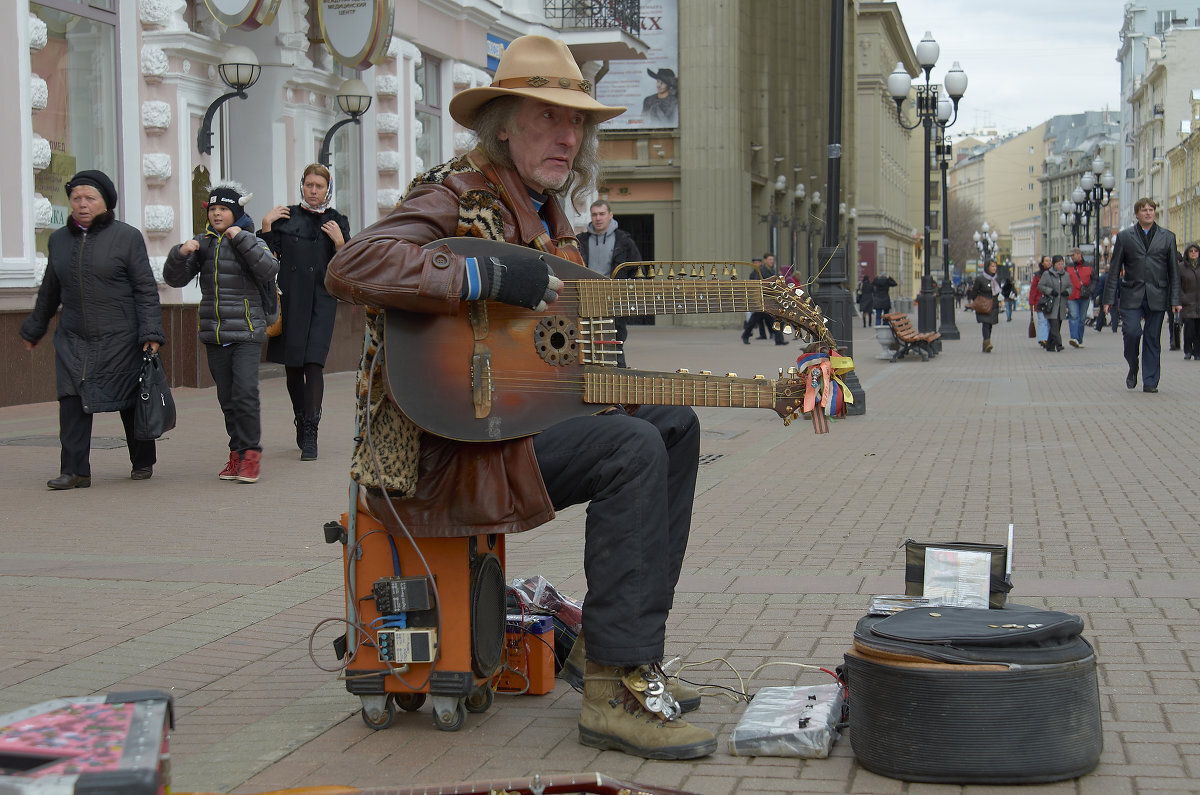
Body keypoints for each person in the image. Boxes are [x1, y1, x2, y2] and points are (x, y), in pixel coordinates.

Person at [325, 35, 716, 760]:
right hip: (452, 443)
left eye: (576, 124)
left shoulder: (551, 216)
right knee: (630, 450)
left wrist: (617, 378)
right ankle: (608, 694)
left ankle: (619, 650)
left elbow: (565, 351)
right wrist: (486, 277)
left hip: (516, 426)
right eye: (547, 118)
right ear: (503, 123)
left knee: (672, 425)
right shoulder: (453, 193)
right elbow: (356, 263)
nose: (567, 137)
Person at [19, 170, 165, 490]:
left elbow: (145, 289)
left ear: (105, 202)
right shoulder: (58, 240)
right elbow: (49, 290)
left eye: (90, 198)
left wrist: (151, 333)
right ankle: (75, 471)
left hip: (121, 336)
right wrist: (34, 329)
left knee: (129, 399)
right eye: (76, 198)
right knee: (72, 400)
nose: (82, 204)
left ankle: (142, 460)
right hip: (73, 338)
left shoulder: (127, 237)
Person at [164, 182, 280, 482]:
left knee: (244, 394)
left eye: (224, 209)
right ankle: (237, 455)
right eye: (213, 209)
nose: (217, 214)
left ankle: (251, 456)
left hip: (247, 330)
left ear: (236, 212)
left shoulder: (252, 240)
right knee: (228, 398)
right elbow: (173, 279)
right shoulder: (203, 244)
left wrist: (241, 239)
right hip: (215, 332)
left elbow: (269, 269)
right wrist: (180, 252)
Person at [259, 163, 350, 460]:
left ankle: (311, 431)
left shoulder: (337, 221)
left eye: (319, 186)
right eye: (309, 185)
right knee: (293, 367)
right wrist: (267, 225)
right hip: (290, 299)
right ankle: (300, 416)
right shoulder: (287, 217)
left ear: (328, 189)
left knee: (314, 365)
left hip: (322, 301)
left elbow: (348, 265)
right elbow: (266, 259)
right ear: (302, 185)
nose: (313, 190)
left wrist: (340, 242)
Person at [1103, 198, 1182, 393]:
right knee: (1132, 332)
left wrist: (1175, 300)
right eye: (1143, 210)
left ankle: (1150, 381)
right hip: (1132, 293)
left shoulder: (1167, 237)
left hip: (1158, 294)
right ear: (1136, 214)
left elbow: (1173, 271)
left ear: (1155, 213)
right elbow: (1114, 271)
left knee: (1152, 338)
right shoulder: (1125, 237)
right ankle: (1133, 366)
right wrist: (1108, 299)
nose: (1148, 213)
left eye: (1151, 210)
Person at [578, 198, 642, 364]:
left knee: (614, 348)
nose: (598, 218)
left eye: (602, 214)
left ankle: (618, 384)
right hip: (586, 302)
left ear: (610, 215)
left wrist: (629, 300)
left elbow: (638, 272)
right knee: (586, 348)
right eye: (594, 214)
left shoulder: (625, 241)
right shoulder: (579, 241)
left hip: (614, 303)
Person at [741, 254, 786, 344]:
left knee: (772, 319)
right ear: (765, 261)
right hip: (763, 299)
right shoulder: (761, 271)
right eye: (769, 259)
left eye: (772, 260)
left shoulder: (772, 271)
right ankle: (746, 335)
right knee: (757, 319)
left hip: (769, 299)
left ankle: (779, 339)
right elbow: (758, 285)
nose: (771, 261)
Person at [968, 259, 1002, 352]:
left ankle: (986, 343)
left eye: (995, 266)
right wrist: (978, 301)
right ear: (987, 267)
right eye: (992, 266)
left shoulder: (996, 278)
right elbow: (974, 292)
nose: (994, 268)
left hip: (993, 305)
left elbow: (998, 291)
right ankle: (987, 343)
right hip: (984, 305)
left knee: (990, 324)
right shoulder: (980, 279)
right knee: (986, 323)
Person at [1039, 256, 1071, 353]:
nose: (1061, 266)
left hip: (1061, 305)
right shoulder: (1047, 274)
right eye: (1058, 264)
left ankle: (1050, 345)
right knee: (1054, 325)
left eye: (1062, 263)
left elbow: (1070, 287)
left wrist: (1067, 292)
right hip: (1051, 304)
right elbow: (1040, 286)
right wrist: (1050, 291)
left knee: (1058, 325)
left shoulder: (1066, 275)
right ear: (1054, 264)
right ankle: (1059, 344)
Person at [1065, 247, 1094, 348]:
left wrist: (1091, 290)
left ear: (1079, 254)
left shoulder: (1089, 266)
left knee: (1082, 319)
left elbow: (1094, 279)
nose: (1072, 257)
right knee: (1074, 316)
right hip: (1072, 296)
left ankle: (1079, 339)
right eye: (1071, 256)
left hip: (1084, 296)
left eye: (1073, 255)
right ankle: (1074, 338)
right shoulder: (1068, 267)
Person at [1179, 243, 1200, 360]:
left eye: (1195, 251)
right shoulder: (1181, 267)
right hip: (1187, 304)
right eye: (1191, 251)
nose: (1193, 253)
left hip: (1199, 303)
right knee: (1189, 329)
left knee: (1199, 330)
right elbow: (1177, 285)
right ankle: (1187, 350)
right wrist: (1182, 298)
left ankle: (1198, 352)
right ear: (1187, 253)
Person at [1029, 255, 1052, 347]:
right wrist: (1031, 302)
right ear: (1042, 263)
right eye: (1046, 261)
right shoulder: (1037, 275)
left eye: (1050, 261)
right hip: (1040, 301)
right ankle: (1043, 339)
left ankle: (1049, 338)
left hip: (1051, 300)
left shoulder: (1054, 273)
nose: (1049, 262)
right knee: (1042, 320)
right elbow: (1033, 289)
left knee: (1050, 321)